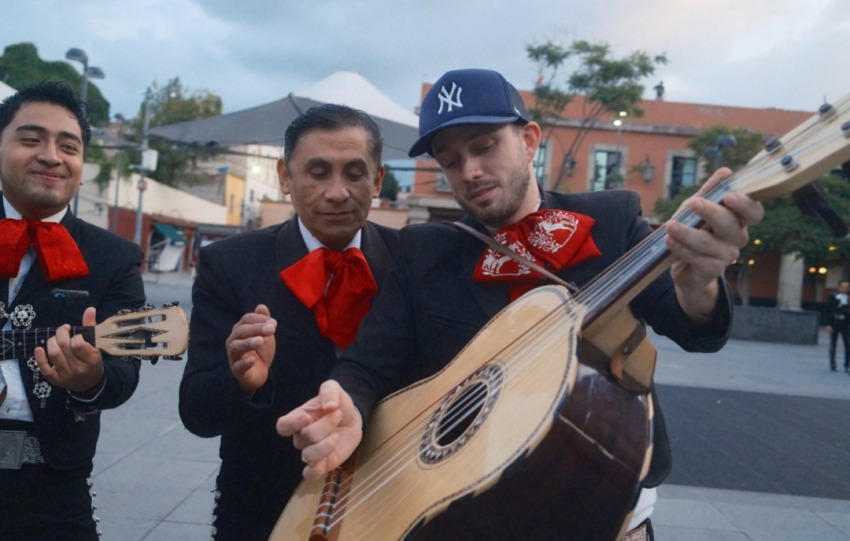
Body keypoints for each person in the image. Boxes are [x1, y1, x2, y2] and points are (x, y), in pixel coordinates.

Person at [277, 69, 765, 540]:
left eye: (484, 146)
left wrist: (698, 284)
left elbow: (694, 327)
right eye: (450, 160)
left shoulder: (611, 221)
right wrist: (346, 401)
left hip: (602, 507)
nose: (469, 171)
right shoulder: (424, 251)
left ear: (529, 141)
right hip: (464, 519)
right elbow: (369, 363)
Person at [179, 103, 401, 540]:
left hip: (389, 504)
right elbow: (197, 413)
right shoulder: (230, 264)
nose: (337, 192)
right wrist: (241, 380)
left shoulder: (410, 260)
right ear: (285, 176)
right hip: (262, 509)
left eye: (355, 173)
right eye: (318, 173)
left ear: (377, 180)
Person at [0, 81, 146, 540]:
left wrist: (91, 380)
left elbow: (124, 374)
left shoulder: (114, 257)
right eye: (31, 139)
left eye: (69, 147)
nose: (51, 156)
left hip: (54, 487)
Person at [823, 280, 850, 372]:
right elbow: (827, 310)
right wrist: (828, 324)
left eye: (847, 287)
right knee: (833, 343)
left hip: (845, 323)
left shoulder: (849, 297)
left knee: (848, 344)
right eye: (843, 287)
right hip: (834, 322)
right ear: (839, 287)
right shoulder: (833, 296)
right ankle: (833, 363)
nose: (845, 289)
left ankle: (847, 364)